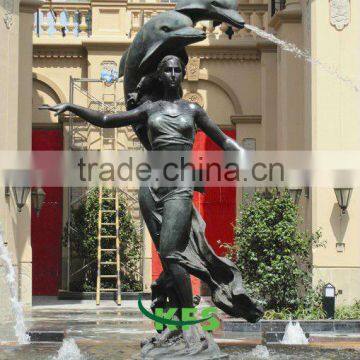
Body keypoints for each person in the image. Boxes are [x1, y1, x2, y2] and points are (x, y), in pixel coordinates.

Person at [40, 55, 263, 325]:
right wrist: (72, 107)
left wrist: (245, 159)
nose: (172, 74)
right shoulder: (150, 109)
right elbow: (106, 119)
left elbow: (225, 141)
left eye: (176, 70)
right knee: (168, 256)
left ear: (181, 74)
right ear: (160, 74)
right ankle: (176, 320)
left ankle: (187, 322)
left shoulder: (193, 110)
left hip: (179, 184)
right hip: (151, 185)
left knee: (171, 253)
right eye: (167, 69)